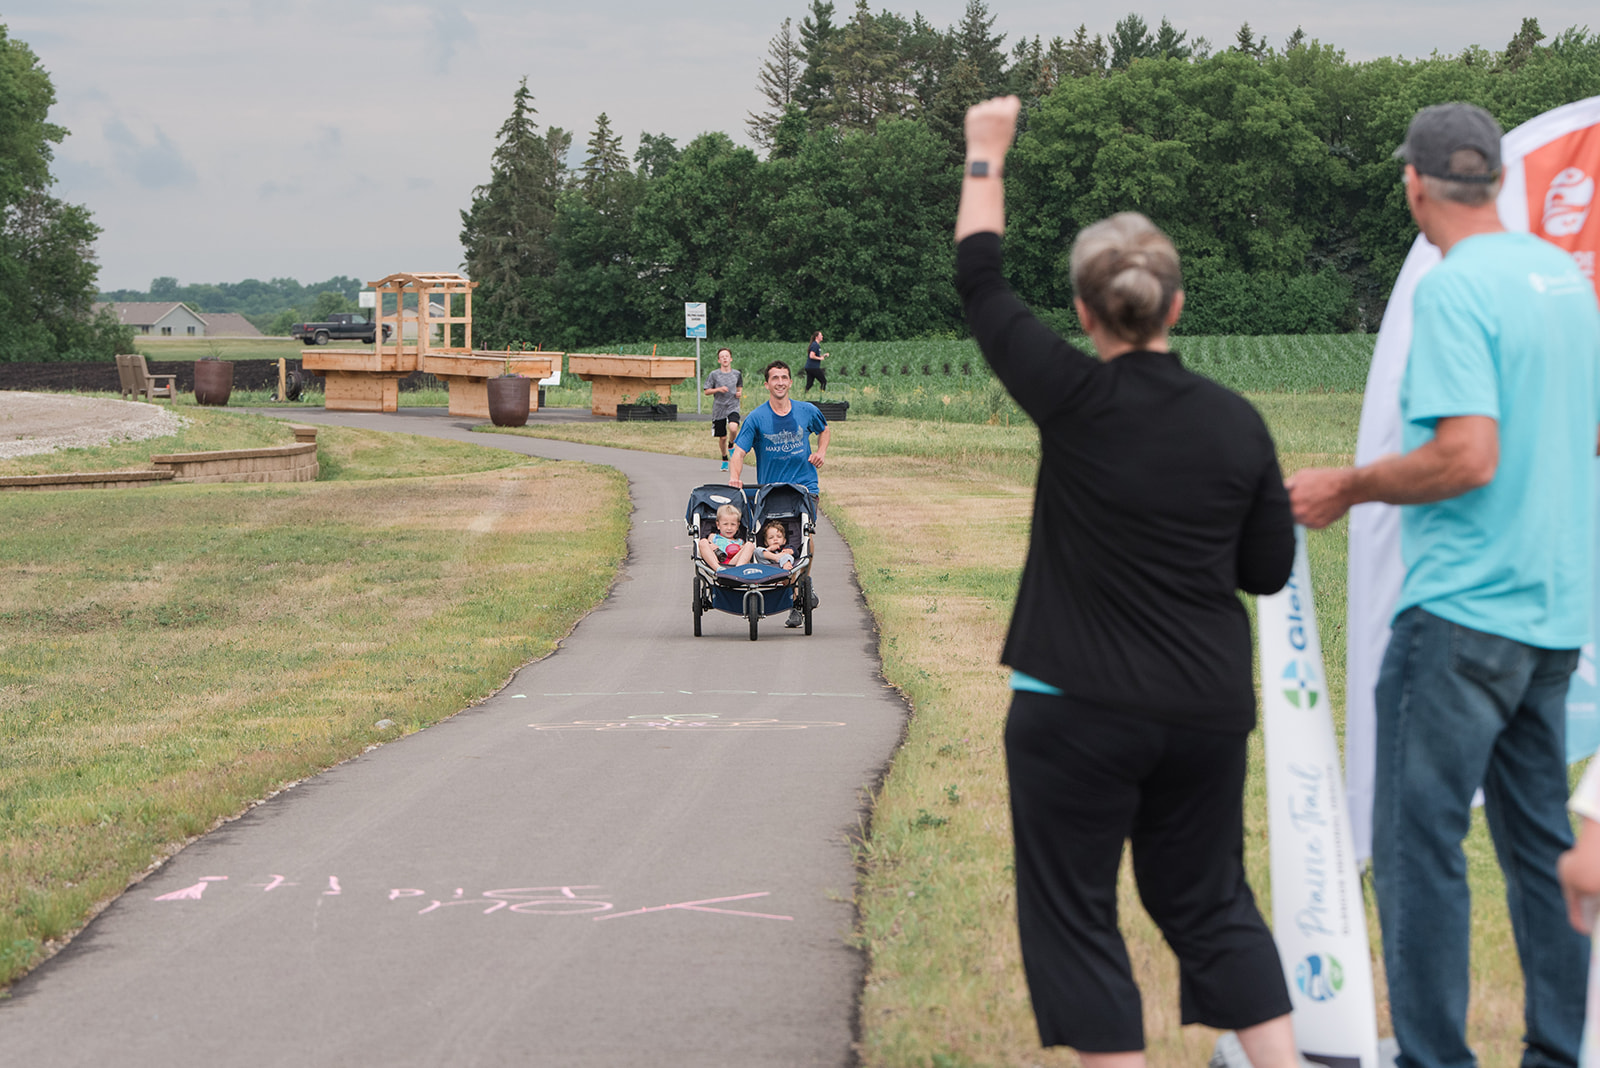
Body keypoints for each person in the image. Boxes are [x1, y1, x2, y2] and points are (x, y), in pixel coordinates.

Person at [956, 95, 1300, 1068]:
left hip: (1072, 708)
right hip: (1200, 710)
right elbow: (1266, 572)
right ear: (1174, 308)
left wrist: (987, 154)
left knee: (1074, 917)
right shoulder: (1237, 424)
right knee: (1211, 905)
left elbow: (979, 281)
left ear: (1081, 313)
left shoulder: (1067, 395)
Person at [1289, 102, 1600, 1068]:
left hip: (1463, 612)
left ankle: (1435, 1060)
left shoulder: (1456, 289)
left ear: (1415, 183)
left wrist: (1350, 486)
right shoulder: (1567, 282)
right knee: (1542, 848)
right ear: (1498, 179)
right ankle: (1557, 1051)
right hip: (1552, 618)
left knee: (1420, 852)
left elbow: (1465, 455)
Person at [729, 360, 828, 626]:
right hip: (771, 492)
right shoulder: (757, 418)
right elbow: (739, 451)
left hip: (804, 488)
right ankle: (791, 589)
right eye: (775, 378)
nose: (780, 382)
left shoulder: (806, 411)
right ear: (767, 384)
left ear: (790, 382)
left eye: (784, 377)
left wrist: (820, 452)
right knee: (774, 540)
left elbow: (824, 429)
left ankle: (800, 589)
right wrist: (734, 477)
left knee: (803, 537)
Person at [703, 347, 743, 471]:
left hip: (733, 405)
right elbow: (706, 391)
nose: (724, 358)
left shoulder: (736, 374)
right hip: (719, 407)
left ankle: (731, 445)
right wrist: (718, 389)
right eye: (722, 357)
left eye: (726, 356)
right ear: (719, 360)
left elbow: (739, 387)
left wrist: (739, 393)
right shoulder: (714, 375)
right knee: (722, 437)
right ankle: (724, 458)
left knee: (733, 428)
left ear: (730, 359)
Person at [698, 503, 754, 571]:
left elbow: (745, 553)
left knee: (750, 545)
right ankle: (718, 569)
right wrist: (711, 546)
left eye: (733, 524)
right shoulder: (713, 537)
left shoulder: (740, 541)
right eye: (725, 524)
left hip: (733, 563)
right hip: (717, 562)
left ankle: (738, 570)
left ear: (737, 526)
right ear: (718, 525)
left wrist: (742, 548)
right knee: (703, 542)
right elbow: (706, 547)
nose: (729, 528)